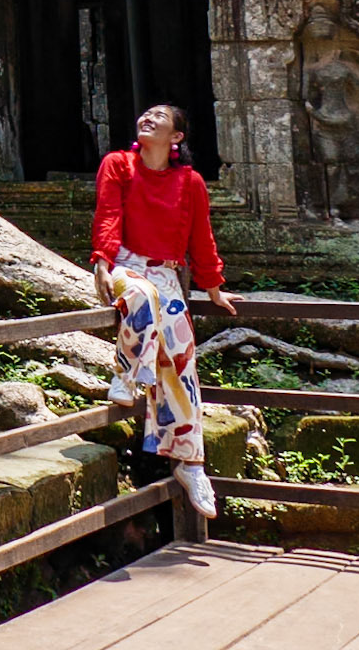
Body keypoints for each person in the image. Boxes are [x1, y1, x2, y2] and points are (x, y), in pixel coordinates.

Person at [91, 102, 237, 519]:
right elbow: (108, 213)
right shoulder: (119, 164)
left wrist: (213, 285)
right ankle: (126, 374)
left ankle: (190, 464)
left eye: (160, 116)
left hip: (169, 275)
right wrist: (102, 261)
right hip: (127, 265)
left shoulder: (189, 182)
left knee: (182, 363)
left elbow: (201, 236)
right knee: (141, 298)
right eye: (146, 114)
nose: (148, 117)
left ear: (176, 137)